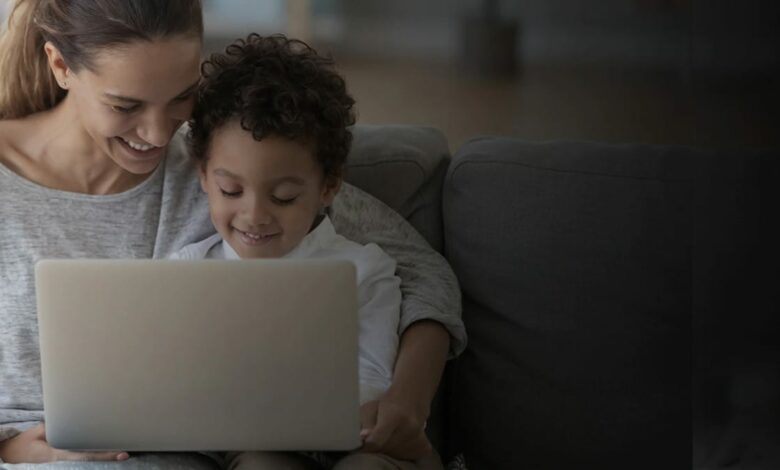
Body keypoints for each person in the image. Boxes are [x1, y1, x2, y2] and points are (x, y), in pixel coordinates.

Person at [0, 0, 465, 468]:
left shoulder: (224, 169)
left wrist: (408, 400)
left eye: (182, 96)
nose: (159, 134)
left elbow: (420, 269)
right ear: (60, 65)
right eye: (126, 105)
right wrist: (10, 447)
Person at [172, 33, 430, 469]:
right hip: (252, 446)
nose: (254, 215)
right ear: (203, 175)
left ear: (328, 186)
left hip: (353, 443)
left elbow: (372, 379)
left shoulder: (363, 269)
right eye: (230, 190)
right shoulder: (186, 271)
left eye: (285, 197)